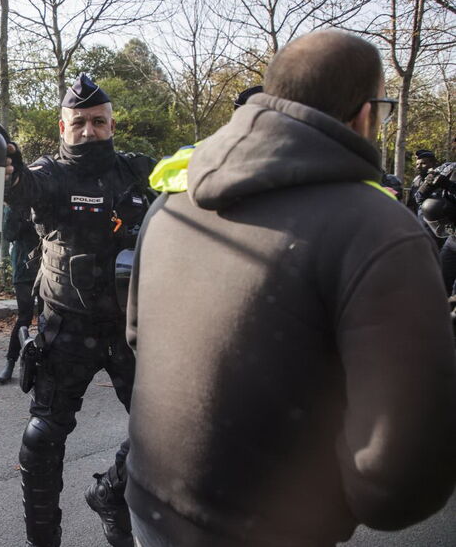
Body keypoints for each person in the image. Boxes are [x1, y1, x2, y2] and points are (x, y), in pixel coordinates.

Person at [125, 30, 456, 547]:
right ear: (366, 115)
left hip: (149, 507)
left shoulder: (172, 199)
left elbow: (140, 339)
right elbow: (402, 477)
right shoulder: (382, 230)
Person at [4, 73, 156, 547]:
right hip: (64, 327)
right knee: (43, 437)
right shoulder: (52, 173)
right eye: (79, 123)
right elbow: (25, 186)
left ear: (113, 124)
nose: (88, 130)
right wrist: (8, 171)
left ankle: (111, 493)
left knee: (164, 432)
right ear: (62, 126)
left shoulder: (137, 171)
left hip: (131, 329)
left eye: (98, 121)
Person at [0, 202, 41, 384]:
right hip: (23, 266)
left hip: (47, 266)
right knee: (25, 316)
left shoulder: (45, 199)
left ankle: (47, 363)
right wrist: (19, 214)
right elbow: (8, 234)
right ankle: (10, 362)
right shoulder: (14, 205)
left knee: (48, 318)